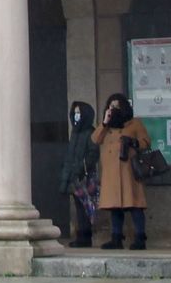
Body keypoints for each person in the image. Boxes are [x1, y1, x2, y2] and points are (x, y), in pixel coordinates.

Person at [92, 93, 150, 250]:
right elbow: (95, 139)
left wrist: (133, 142)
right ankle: (116, 238)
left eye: (117, 106)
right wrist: (105, 122)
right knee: (114, 207)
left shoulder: (134, 124)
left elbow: (146, 142)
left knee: (135, 205)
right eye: (111, 106)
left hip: (128, 171)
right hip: (111, 173)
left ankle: (140, 238)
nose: (114, 109)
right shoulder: (107, 126)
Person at [58, 100, 99, 248]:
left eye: (79, 113)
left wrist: (83, 168)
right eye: (74, 113)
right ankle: (81, 235)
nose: (76, 116)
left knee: (86, 207)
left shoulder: (90, 132)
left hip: (84, 176)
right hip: (74, 176)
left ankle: (85, 236)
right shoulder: (74, 133)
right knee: (78, 207)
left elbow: (92, 153)